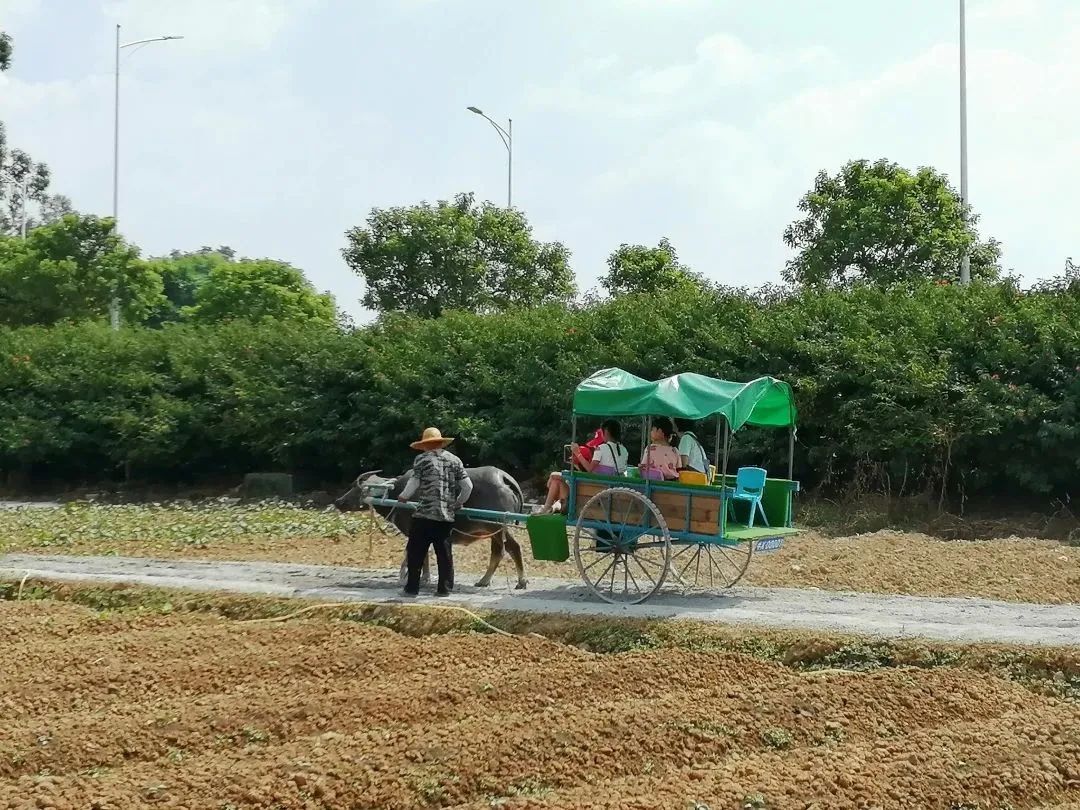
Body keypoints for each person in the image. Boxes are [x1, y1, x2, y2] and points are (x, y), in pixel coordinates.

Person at [397, 426, 473, 597]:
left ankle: (412, 588)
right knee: (444, 554)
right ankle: (444, 589)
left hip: (424, 514)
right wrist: (457, 503)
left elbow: (414, 483)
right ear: (440, 443)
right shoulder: (455, 460)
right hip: (446, 516)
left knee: (416, 552)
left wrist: (403, 496)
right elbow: (468, 486)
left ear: (425, 445)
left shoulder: (421, 460)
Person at [535, 419, 627, 514]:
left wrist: (577, 453)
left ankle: (547, 508)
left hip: (596, 490)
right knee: (555, 479)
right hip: (613, 489)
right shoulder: (624, 450)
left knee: (555, 478)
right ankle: (548, 507)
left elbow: (589, 469)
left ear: (606, 432)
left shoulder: (602, 449)